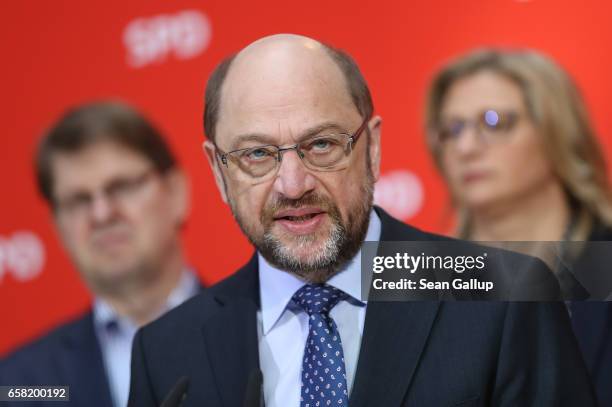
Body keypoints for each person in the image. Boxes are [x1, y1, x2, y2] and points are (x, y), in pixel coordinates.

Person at [128, 35, 595, 406]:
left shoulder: (504, 299)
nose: (293, 185)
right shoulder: (166, 353)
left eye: (322, 145)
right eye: (257, 154)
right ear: (218, 171)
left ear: (370, 148)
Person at [425, 48, 612, 406]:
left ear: (556, 130)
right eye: (452, 129)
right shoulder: (421, 276)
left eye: (494, 122)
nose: (465, 147)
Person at [0, 101, 202, 407]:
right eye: (79, 201)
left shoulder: (260, 331)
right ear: (58, 228)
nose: (102, 213)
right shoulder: (17, 385)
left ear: (176, 192)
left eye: (121, 187)